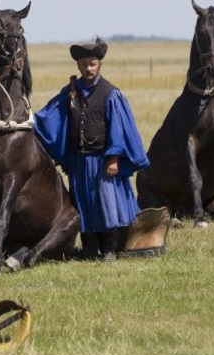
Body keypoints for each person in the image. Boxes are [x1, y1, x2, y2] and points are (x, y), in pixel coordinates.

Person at [34, 38, 149, 262]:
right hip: (78, 161)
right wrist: (29, 119)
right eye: (84, 64)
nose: (88, 68)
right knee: (83, 205)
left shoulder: (111, 94)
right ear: (78, 66)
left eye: (92, 64)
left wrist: (114, 157)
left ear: (100, 65)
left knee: (107, 204)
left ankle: (109, 249)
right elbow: (51, 116)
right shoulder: (70, 92)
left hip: (103, 161)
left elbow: (117, 128)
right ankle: (89, 249)